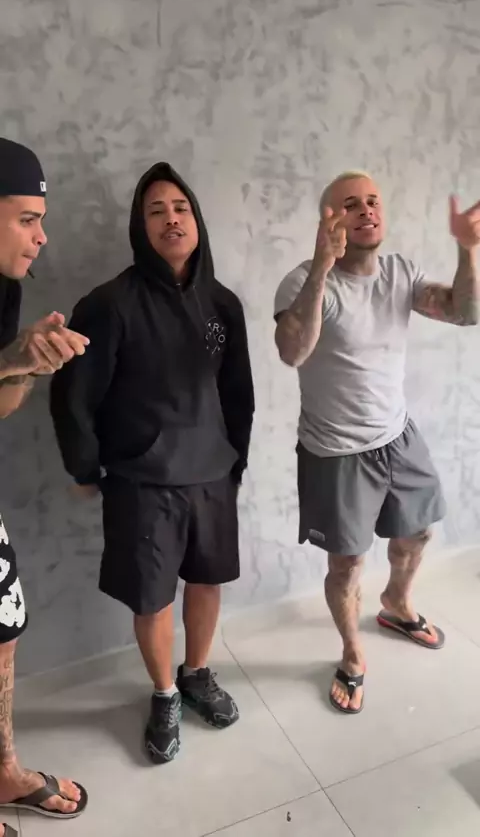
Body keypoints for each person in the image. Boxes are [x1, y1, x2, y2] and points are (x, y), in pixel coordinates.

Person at [50, 162, 255, 763]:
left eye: (180, 208)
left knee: (208, 580)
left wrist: (237, 461)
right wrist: (85, 468)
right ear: (140, 228)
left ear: (197, 219)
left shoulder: (223, 303)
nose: (171, 219)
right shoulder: (109, 304)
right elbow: (74, 394)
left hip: (212, 473)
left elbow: (237, 392)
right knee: (152, 598)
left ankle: (196, 674)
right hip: (143, 481)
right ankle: (165, 693)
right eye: (156, 211)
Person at [274, 170, 479, 715]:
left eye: (372, 201)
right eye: (350, 203)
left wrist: (467, 250)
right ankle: (351, 650)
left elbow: (467, 313)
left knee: (419, 532)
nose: (365, 209)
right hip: (335, 451)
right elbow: (292, 351)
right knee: (346, 565)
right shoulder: (301, 282)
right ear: (329, 219)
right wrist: (322, 266)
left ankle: (396, 602)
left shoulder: (400, 273)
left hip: (397, 435)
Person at [0, 137, 90, 836]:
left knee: (2, 626)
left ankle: (1, 766)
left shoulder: (6, 289)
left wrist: (25, 365)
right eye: (28, 219)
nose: (42, 237)